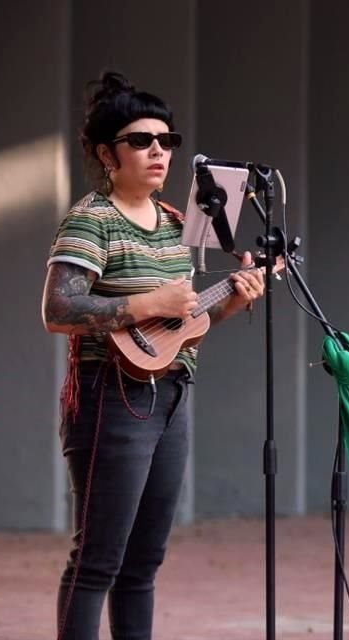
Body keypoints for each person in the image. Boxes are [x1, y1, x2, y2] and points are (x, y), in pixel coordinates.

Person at [41, 71, 264, 640]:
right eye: (141, 140)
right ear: (105, 153)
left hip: (170, 398)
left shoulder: (174, 226)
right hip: (109, 398)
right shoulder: (92, 218)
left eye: (166, 141)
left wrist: (230, 303)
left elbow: (179, 325)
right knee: (97, 562)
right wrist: (144, 302)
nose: (158, 151)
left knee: (142, 566)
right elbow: (59, 309)